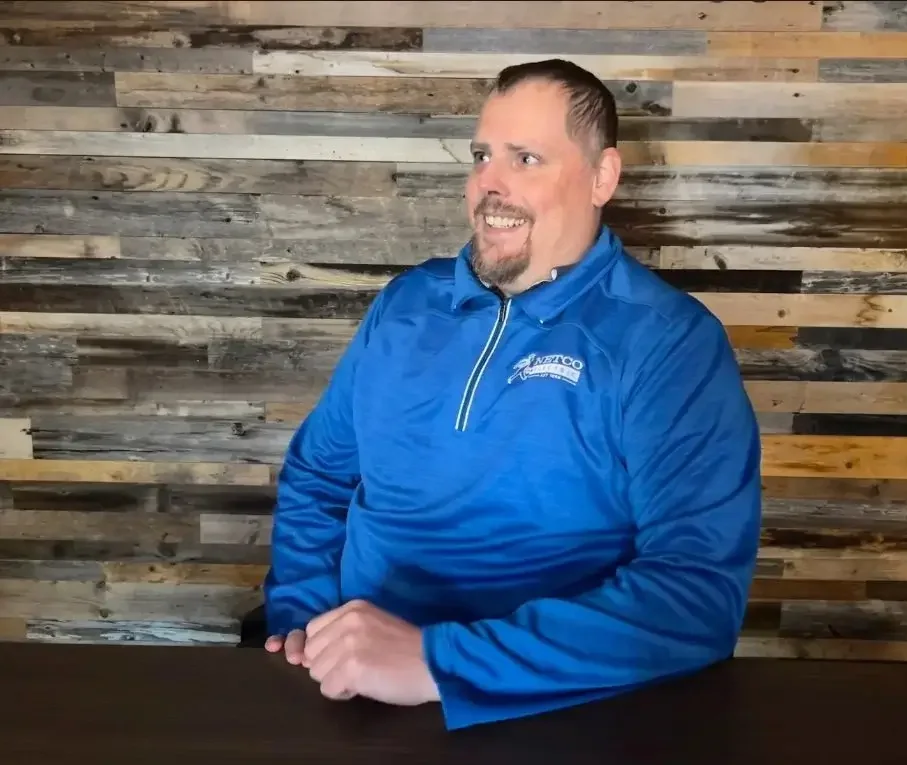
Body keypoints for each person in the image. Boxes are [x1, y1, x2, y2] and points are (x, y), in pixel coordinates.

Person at [261, 58, 763, 731]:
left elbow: (695, 592)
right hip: (350, 689)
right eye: (481, 156)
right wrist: (303, 616)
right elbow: (319, 474)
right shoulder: (406, 304)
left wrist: (440, 661)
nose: (487, 185)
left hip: (547, 703)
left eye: (525, 158)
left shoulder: (667, 343)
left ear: (602, 177)